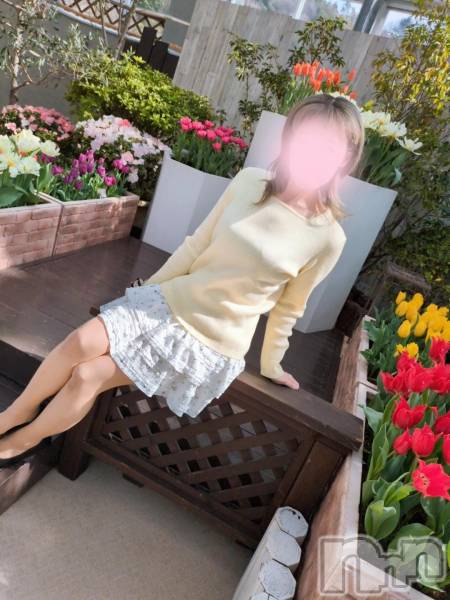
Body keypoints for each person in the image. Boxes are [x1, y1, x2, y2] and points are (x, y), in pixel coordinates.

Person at [0, 93, 365, 466]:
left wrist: (273, 366)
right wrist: (145, 292)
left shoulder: (328, 238)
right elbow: (196, 245)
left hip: (209, 340)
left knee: (87, 376)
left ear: (345, 158)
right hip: (171, 300)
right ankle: (14, 415)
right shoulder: (250, 182)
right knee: (80, 341)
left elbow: (289, 309)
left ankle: (22, 441)